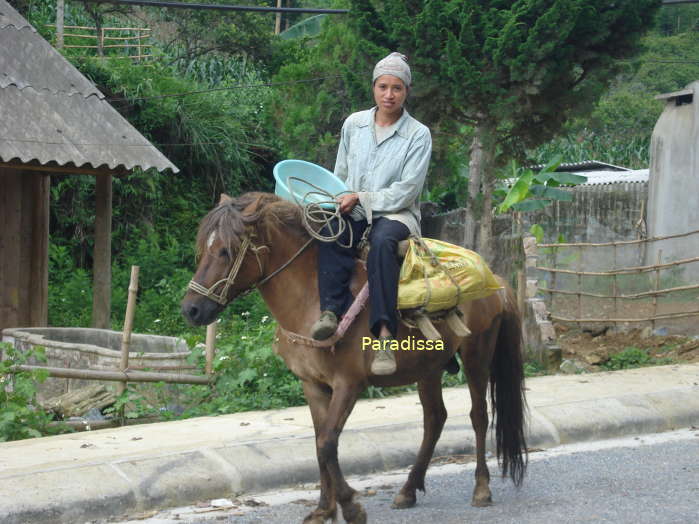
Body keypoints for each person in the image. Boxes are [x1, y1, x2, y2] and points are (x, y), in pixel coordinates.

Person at [311, 52, 432, 375]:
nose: (389, 94)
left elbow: (407, 190)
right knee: (330, 231)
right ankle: (330, 312)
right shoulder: (354, 124)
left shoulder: (418, 134)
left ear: (406, 92)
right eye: (383, 86)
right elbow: (340, 172)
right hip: (353, 208)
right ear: (373, 88)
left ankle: (384, 337)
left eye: (396, 88)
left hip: (397, 214)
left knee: (382, 244)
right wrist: (337, 200)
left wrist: (361, 197)